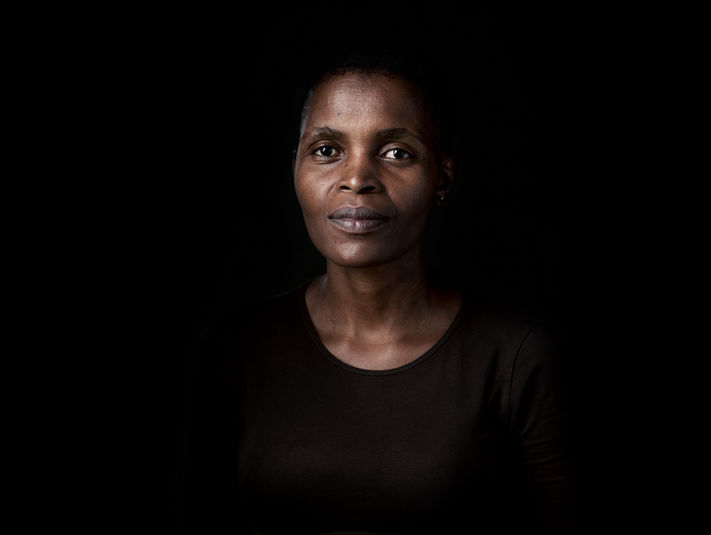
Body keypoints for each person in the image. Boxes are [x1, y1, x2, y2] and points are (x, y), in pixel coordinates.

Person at [184, 48, 576, 534]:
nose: (356, 180)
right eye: (327, 150)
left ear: (442, 177)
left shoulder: (513, 357)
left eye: (396, 153)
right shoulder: (239, 346)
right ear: (295, 169)